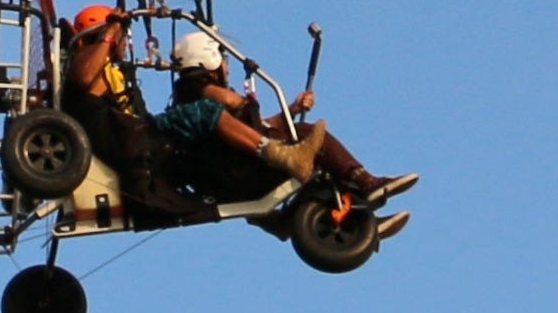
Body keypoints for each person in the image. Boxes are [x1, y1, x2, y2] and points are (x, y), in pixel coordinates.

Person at [171, 31, 417, 239]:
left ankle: (358, 222)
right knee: (307, 135)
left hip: (233, 168)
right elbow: (225, 103)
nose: (227, 65)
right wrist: (241, 102)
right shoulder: (194, 91)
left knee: (314, 169)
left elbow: (254, 131)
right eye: (223, 58)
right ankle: (365, 182)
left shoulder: (203, 100)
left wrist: (293, 109)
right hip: (233, 170)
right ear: (208, 58)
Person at [61, 5, 325, 181]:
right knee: (206, 114)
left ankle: (272, 209)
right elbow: (84, 78)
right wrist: (110, 32)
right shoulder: (85, 66)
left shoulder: (107, 70)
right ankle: (280, 155)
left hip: (140, 136)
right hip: (138, 142)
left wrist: (291, 111)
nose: (121, 41)